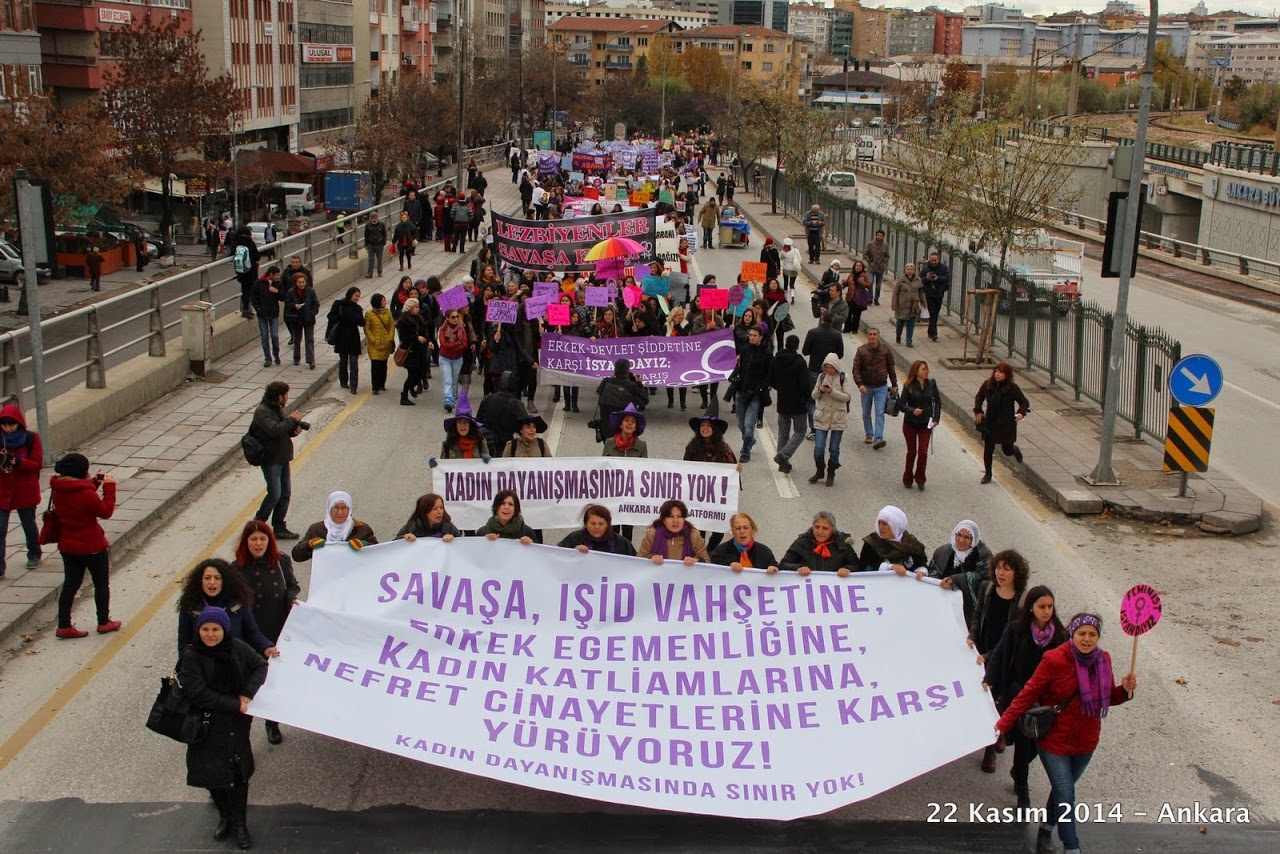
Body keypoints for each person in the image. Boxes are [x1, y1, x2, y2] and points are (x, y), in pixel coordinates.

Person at [995, 613, 1137, 854]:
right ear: (1072, 634)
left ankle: (1045, 830)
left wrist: (1124, 690)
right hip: (1054, 741)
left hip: (1086, 742)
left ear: (1098, 637)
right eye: (1082, 633)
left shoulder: (1104, 660)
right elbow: (1028, 694)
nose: (1087, 639)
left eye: (1092, 634)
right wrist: (1002, 724)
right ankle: (1072, 847)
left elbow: (1108, 698)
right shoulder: (1054, 660)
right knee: (1066, 793)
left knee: (1062, 791)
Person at [178, 606, 268, 849]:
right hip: (205, 725)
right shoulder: (191, 655)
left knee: (238, 776)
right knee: (209, 773)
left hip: (234, 724)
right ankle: (225, 816)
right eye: (205, 629)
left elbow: (261, 665)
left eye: (215, 629)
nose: (210, 634)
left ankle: (240, 824)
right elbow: (197, 692)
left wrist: (247, 694)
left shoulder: (237, 648)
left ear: (224, 629)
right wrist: (234, 703)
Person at [984, 585, 1067, 810]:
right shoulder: (1016, 630)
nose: (1047, 611)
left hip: (1047, 699)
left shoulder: (1059, 635)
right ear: (1031, 607)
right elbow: (1000, 653)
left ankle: (1017, 772)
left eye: (1050, 606)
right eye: (1042, 606)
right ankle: (1022, 788)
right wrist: (990, 678)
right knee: (1023, 743)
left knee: (1037, 746)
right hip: (1020, 694)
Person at [231, 520, 299, 746]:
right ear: (246, 542)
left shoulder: (281, 561)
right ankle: (243, 726)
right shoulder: (236, 568)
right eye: (253, 539)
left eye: (262, 539)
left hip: (277, 628)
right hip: (250, 633)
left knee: (273, 679)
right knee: (249, 680)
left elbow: (292, 585)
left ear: (269, 541)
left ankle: (272, 722)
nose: (258, 543)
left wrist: (291, 598)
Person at [49, 454, 118, 638]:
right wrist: (109, 488)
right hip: (92, 546)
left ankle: (64, 625)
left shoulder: (58, 489)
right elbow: (105, 511)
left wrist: (94, 483)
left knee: (71, 585)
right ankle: (103, 621)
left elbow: (79, 500)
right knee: (101, 584)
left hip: (68, 545)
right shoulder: (86, 494)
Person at [176, 558, 276, 661]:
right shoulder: (190, 605)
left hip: (234, 662)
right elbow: (184, 642)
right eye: (207, 578)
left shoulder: (238, 603)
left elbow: (253, 632)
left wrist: (266, 646)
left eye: (217, 578)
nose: (212, 582)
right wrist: (184, 666)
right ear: (200, 580)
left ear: (225, 581)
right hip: (202, 665)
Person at [683, 399, 741, 552]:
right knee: (699, 527)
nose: (704, 428)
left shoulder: (724, 449)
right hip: (698, 494)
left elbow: (732, 470)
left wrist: (737, 470)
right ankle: (701, 552)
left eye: (708, 425)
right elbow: (684, 468)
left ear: (714, 429)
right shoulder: (692, 447)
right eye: (702, 425)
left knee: (719, 528)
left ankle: (711, 550)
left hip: (717, 496)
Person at [249, 381, 303, 540]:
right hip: (271, 459)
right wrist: (291, 420)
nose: (287, 398)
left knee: (285, 494)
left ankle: (279, 527)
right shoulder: (262, 412)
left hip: (282, 457)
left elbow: (281, 430)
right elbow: (274, 430)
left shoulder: (275, 408)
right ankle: (257, 525)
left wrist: (293, 431)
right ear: (279, 396)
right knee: (275, 494)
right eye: (286, 395)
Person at [0, 403, 43, 578]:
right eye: (4, 425)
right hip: (3, 491)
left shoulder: (31, 438)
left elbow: (37, 464)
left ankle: (34, 553)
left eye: (12, 425)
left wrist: (18, 462)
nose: (8, 429)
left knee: (29, 524)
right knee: (0, 528)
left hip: (25, 490)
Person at [974, 361, 1030, 485]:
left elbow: (1024, 402)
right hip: (991, 422)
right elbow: (979, 397)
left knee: (1007, 450)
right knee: (988, 448)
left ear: (1007, 374)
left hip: (1006, 424)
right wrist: (978, 411)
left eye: (1001, 372)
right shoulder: (988, 385)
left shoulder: (1012, 388)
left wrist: (1021, 412)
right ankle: (988, 474)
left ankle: (1014, 450)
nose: (997, 374)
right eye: (996, 371)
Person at [291, 490, 378, 563]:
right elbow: (296, 556)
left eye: (344, 508)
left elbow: (378, 553)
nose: (340, 512)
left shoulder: (361, 529)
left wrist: (364, 545)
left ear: (350, 510)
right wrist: (309, 545)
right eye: (335, 507)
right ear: (329, 509)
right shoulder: (316, 529)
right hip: (325, 578)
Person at [852, 327, 898, 451]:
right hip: (866, 387)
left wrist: (894, 384)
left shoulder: (885, 350)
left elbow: (891, 367)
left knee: (879, 412)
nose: (872, 336)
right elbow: (856, 369)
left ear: (878, 335)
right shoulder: (861, 351)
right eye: (870, 334)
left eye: (874, 334)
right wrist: (860, 384)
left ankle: (878, 438)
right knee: (866, 413)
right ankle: (869, 434)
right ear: (867, 336)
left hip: (881, 387)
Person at [899, 359, 942, 490]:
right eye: (923, 369)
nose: (926, 371)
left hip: (925, 424)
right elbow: (901, 405)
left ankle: (920, 478)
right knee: (912, 452)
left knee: (923, 452)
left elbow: (938, 403)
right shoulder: (909, 386)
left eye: (926, 369)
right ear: (916, 371)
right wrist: (913, 410)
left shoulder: (932, 384)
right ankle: (907, 477)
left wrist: (935, 419)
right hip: (910, 423)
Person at [770, 334, 810, 474]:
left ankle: (783, 463)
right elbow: (805, 384)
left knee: (783, 433)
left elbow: (772, 380)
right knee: (800, 431)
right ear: (797, 346)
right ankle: (783, 455)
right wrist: (807, 397)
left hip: (783, 400)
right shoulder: (800, 362)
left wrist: (781, 388)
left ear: (786, 344)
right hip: (798, 403)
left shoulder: (776, 360)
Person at [810, 353, 851, 487]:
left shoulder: (843, 378)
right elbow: (814, 395)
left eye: (831, 368)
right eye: (826, 367)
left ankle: (831, 472)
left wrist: (832, 391)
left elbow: (846, 397)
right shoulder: (821, 377)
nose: (829, 370)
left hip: (838, 417)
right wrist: (821, 390)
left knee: (834, 448)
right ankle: (819, 469)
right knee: (819, 448)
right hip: (822, 416)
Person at [733, 325, 772, 463]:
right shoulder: (745, 350)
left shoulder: (766, 353)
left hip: (755, 394)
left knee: (749, 424)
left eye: (755, 335)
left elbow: (769, 374)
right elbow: (740, 368)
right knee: (740, 423)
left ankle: (745, 451)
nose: (752, 338)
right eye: (750, 335)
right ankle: (750, 440)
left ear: (761, 337)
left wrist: (761, 387)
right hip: (741, 391)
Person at [778, 511, 859, 575]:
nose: (820, 531)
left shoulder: (843, 544)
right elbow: (783, 564)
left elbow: (857, 566)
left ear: (832, 530)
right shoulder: (802, 542)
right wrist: (798, 568)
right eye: (817, 527)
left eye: (825, 528)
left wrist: (847, 569)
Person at [801, 315, 843, 438]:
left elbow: (805, 351)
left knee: (812, 400)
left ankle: (815, 428)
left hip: (814, 369)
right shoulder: (836, 335)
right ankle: (829, 425)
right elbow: (840, 354)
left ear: (821, 320)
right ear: (833, 321)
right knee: (829, 399)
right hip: (831, 372)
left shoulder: (812, 332)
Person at [857, 505, 927, 575]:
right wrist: (889, 567)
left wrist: (920, 572)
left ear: (895, 525)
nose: (881, 527)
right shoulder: (872, 542)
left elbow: (921, 564)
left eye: (885, 524)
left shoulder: (912, 543)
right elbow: (864, 567)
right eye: (879, 523)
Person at [637, 499, 709, 566]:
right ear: (664, 520)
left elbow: (707, 561)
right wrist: (651, 558)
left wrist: (696, 561)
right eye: (671, 516)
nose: (675, 520)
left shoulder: (693, 535)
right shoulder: (652, 534)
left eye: (679, 516)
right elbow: (638, 560)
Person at [594, 360, 647, 444]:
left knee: (610, 452)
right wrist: (639, 383)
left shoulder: (606, 382)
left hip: (606, 429)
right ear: (628, 370)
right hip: (624, 431)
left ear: (615, 370)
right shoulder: (631, 386)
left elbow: (600, 394)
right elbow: (644, 400)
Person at [325, 287, 365, 395]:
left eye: (358, 296)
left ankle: (353, 385)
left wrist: (356, 318)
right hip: (341, 335)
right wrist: (340, 316)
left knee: (354, 361)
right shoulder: (339, 304)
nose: (357, 298)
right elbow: (330, 316)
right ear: (350, 294)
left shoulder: (357, 308)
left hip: (353, 336)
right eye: (355, 296)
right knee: (343, 360)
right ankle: (343, 381)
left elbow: (362, 322)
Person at [709, 513, 778, 573]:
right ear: (732, 531)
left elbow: (777, 569)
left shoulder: (764, 552)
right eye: (738, 528)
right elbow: (711, 571)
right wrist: (728, 566)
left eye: (746, 528)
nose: (742, 531)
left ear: (752, 530)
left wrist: (774, 569)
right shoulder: (720, 551)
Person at [558, 505, 637, 556]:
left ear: (608, 524)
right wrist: (572, 552)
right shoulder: (574, 538)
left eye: (601, 524)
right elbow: (555, 556)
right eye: (592, 523)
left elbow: (636, 563)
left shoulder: (620, 542)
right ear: (585, 524)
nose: (596, 527)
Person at [928, 520, 992, 583]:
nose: (961, 540)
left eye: (966, 537)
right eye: (959, 535)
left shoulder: (983, 556)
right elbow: (932, 573)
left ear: (973, 540)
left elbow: (984, 582)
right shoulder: (942, 552)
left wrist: (956, 581)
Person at [396, 297, 431, 405]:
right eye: (415, 307)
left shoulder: (418, 318)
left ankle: (411, 387)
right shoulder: (403, 321)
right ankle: (404, 396)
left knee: (421, 373)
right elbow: (404, 337)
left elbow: (424, 331)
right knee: (413, 374)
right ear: (410, 308)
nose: (418, 309)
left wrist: (428, 341)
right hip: (410, 352)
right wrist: (416, 338)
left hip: (420, 350)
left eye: (418, 307)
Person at [437, 307, 471, 412]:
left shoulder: (461, 328)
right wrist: (457, 344)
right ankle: (448, 401)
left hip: (457, 358)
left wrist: (454, 346)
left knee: (454, 381)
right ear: (447, 318)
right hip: (445, 358)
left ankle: (451, 399)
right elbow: (444, 345)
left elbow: (465, 344)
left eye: (457, 316)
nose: (456, 319)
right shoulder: (442, 329)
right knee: (448, 380)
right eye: (453, 317)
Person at [282, 272, 319, 369]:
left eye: (303, 282)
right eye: (299, 282)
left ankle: (311, 361)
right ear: (295, 282)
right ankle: (296, 358)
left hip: (308, 319)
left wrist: (312, 313)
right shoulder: (291, 292)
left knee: (309, 339)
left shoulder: (311, 291)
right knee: (297, 339)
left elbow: (316, 303)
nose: (301, 284)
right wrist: (294, 306)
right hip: (296, 319)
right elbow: (287, 304)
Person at [251, 265, 284, 367]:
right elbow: (253, 297)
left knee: (274, 335)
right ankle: (268, 358)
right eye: (277, 275)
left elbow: (283, 297)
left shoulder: (278, 283)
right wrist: (258, 310)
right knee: (264, 337)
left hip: (273, 313)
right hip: (262, 314)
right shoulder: (259, 283)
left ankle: (276, 354)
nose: (278, 277)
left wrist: (277, 292)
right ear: (271, 275)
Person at [364, 293, 396, 396]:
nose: (384, 302)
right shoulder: (369, 314)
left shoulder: (388, 313)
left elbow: (392, 325)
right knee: (375, 365)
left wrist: (390, 337)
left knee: (383, 365)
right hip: (374, 344)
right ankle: (375, 386)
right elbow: (367, 328)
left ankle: (382, 383)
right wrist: (372, 339)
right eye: (382, 301)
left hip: (386, 343)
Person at [397, 493, 462, 541]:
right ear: (424, 511)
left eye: (441, 508)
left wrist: (453, 540)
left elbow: (462, 547)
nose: (440, 512)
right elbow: (393, 548)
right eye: (435, 508)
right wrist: (404, 538)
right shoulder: (410, 528)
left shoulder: (449, 528)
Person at [920, 250, 951, 342]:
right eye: (932, 260)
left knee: (936, 313)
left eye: (935, 261)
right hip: (929, 294)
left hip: (939, 293)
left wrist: (938, 278)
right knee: (932, 313)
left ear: (938, 260)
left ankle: (930, 330)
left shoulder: (943, 268)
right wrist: (927, 278)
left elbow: (947, 277)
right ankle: (934, 334)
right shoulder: (926, 268)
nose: (933, 262)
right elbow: (920, 279)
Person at [891, 263, 923, 347]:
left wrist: (923, 303)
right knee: (900, 324)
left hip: (913, 306)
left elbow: (921, 292)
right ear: (905, 270)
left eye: (912, 269)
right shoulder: (901, 280)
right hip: (902, 306)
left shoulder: (917, 280)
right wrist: (894, 304)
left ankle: (909, 341)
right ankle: (898, 335)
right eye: (908, 269)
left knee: (911, 325)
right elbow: (895, 292)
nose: (910, 271)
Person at [863, 229, 890, 305]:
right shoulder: (870, 244)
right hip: (872, 267)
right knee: (870, 282)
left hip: (880, 268)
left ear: (883, 237)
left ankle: (876, 299)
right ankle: (869, 298)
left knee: (878, 285)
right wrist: (869, 261)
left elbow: (887, 256)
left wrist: (883, 262)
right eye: (878, 235)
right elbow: (865, 254)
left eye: (881, 236)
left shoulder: (885, 245)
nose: (879, 237)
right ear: (876, 235)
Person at [363, 211, 387, 278]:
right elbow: (366, 235)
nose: (374, 219)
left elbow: (384, 234)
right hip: (371, 244)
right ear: (370, 218)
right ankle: (370, 273)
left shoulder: (381, 225)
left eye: (375, 217)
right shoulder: (368, 225)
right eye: (372, 217)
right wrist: (366, 244)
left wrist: (383, 242)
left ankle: (380, 272)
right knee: (371, 259)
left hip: (379, 244)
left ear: (377, 218)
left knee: (379, 259)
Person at [779, 238, 802, 302]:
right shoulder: (796, 250)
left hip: (786, 269)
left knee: (785, 283)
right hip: (794, 269)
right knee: (792, 284)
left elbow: (781, 258)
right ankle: (792, 295)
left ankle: (785, 298)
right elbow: (800, 259)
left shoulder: (783, 251)